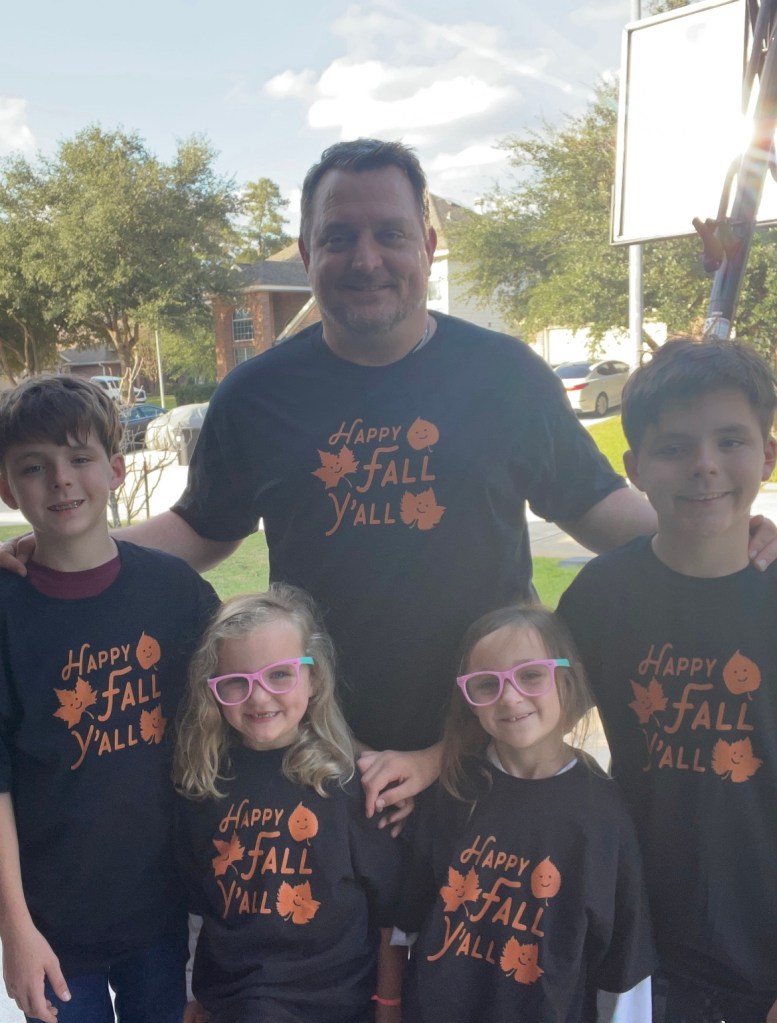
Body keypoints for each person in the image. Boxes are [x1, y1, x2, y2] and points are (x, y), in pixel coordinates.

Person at [3, 140, 776, 818]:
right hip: (318, 748)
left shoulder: (504, 374)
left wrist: (719, 529)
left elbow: (595, 505)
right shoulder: (257, 393)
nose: (365, 258)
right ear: (306, 254)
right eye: (338, 236)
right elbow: (201, 527)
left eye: (390, 233)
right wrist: (64, 553)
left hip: (486, 740)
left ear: (427, 246)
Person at [557, 339, 777, 1023]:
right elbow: (529, 715)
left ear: (767, 455)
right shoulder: (601, 596)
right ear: (634, 470)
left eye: (730, 441)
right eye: (674, 447)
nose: (704, 464)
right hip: (643, 946)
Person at [0, 375, 218, 1023]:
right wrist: (15, 931)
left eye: (80, 457)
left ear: (116, 470)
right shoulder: (6, 611)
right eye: (33, 467)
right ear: (7, 489)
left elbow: (235, 715)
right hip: (53, 925)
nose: (61, 480)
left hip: (165, 909)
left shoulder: (175, 592)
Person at [396, 604, 654, 1022]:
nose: (510, 697)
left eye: (531, 675)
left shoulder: (602, 816)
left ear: (567, 680)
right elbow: (406, 922)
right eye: (487, 683)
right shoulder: (454, 790)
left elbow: (624, 964)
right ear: (469, 700)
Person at [173, 584, 405, 1023]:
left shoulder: (353, 784)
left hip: (338, 1006)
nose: (259, 697)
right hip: (237, 1004)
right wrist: (195, 993)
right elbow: (199, 910)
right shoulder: (204, 785)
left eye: (280, 675)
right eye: (236, 681)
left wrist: (390, 1004)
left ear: (314, 678)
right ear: (212, 690)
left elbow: (390, 914)